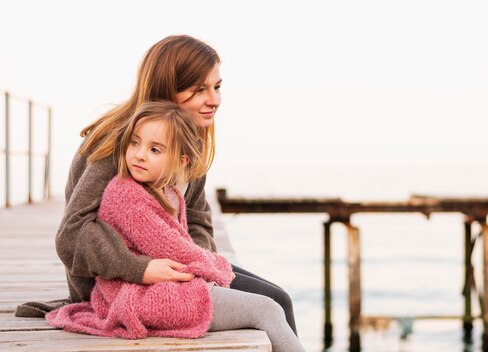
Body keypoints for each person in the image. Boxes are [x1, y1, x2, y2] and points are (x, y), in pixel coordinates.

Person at [15, 34, 298, 336]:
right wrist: (141, 268)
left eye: (217, 87)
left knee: (278, 297)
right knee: (272, 304)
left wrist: (197, 267)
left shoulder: (189, 141)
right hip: (117, 285)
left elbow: (198, 220)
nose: (213, 99)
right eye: (199, 89)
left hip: (176, 270)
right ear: (167, 88)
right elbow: (72, 234)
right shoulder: (122, 143)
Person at [46, 101, 304, 351]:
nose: (139, 154)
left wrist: (209, 269)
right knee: (267, 310)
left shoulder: (168, 191)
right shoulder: (127, 195)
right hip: (142, 297)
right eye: (134, 143)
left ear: (181, 162)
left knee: (273, 302)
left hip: (162, 286)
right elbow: (173, 248)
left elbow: (191, 231)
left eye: (154, 150)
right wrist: (217, 271)